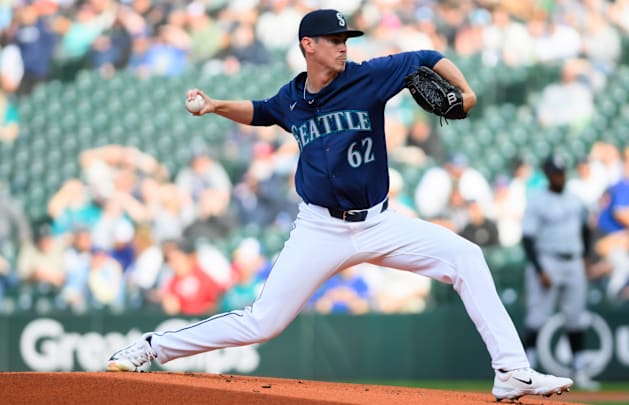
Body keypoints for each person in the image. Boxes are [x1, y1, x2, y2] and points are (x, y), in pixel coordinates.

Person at [106, 9, 573, 401]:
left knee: (466, 257)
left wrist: (466, 91)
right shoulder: (292, 97)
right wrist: (214, 105)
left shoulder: (368, 77)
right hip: (319, 229)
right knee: (262, 322)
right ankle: (152, 348)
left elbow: (427, 57)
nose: (343, 45)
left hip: (380, 222)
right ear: (308, 44)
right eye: (334, 39)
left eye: (346, 38)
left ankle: (513, 372)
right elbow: (262, 110)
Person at [520, 155, 599, 391]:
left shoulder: (576, 200)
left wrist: (585, 258)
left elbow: (586, 230)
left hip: (573, 261)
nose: (559, 176)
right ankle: (525, 369)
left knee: (576, 317)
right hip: (548, 260)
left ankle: (579, 369)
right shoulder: (537, 201)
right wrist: (539, 268)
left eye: (562, 172)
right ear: (547, 174)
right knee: (537, 317)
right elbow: (527, 239)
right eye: (555, 172)